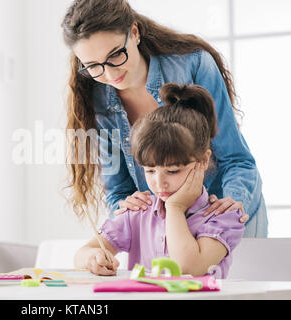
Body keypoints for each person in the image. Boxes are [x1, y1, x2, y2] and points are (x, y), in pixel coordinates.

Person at [61, 0, 267, 237]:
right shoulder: (97, 98)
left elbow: (237, 160)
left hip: (226, 210)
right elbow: (118, 191)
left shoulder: (193, 65)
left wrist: (232, 204)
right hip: (168, 228)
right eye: (93, 66)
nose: (109, 73)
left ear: (135, 33)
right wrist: (126, 207)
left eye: (116, 55)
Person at [74, 83, 245, 278]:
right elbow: (82, 254)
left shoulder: (223, 217)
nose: (159, 183)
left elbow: (189, 268)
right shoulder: (139, 211)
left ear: (203, 160)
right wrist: (94, 257)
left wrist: (175, 208)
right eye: (150, 170)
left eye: (173, 171)